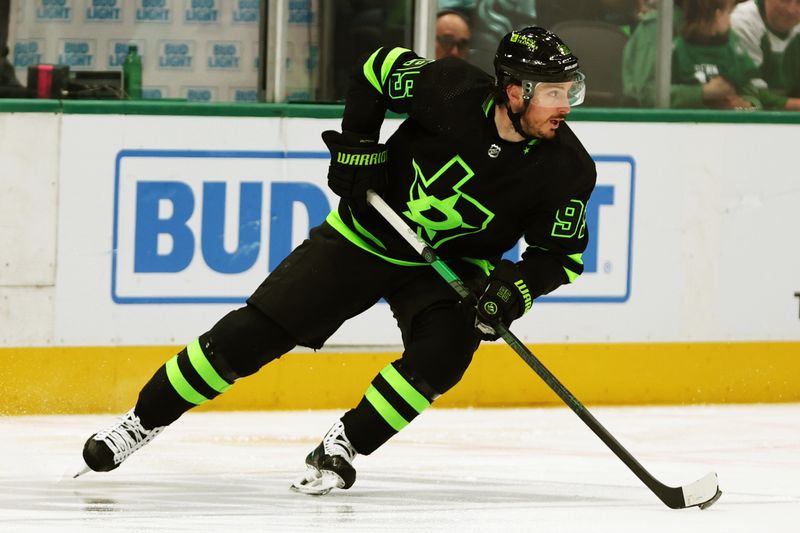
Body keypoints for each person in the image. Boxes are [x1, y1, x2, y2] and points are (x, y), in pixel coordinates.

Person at [77, 26, 596, 495]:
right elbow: (374, 70)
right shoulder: (451, 88)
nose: (566, 105)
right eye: (554, 93)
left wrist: (513, 290)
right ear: (514, 91)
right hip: (367, 235)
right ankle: (141, 421)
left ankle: (343, 442)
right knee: (252, 335)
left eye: (570, 91)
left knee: (443, 355)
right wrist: (358, 150)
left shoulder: (568, 170)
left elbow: (558, 257)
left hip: (452, 266)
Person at [673, 0, 800, 109]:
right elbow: (660, 97)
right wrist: (704, 94)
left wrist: (744, 107)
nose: (792, 9)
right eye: (729, 14)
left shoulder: (730, 46)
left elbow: (751, 93)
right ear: (718, 16)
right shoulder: (676, 51)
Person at [623, 0, 745, 107]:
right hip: (668, 126)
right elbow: (645, 94)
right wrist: (702, 93)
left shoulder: (720, 26)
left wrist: (746, 106)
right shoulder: (656, 28)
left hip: (726, 125)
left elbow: (749, 82)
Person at [731, 0, 800, 97]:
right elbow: (752, 92)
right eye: (784, 0)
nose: (791, 10)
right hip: (750, 106)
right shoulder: (742, 22)